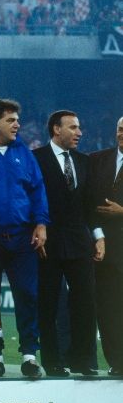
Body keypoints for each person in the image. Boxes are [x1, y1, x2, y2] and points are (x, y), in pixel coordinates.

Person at [0, 98, 49, 378]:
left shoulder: (23, 152)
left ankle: (29, 354)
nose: (17, 124)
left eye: (17, 119)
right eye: (10, 120)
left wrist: (41, 223)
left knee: (27, 294)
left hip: (21, 237)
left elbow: (37, 190)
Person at [33, 110, 103, 377]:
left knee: (85, 301)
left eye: (79, 127)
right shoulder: (36, 158)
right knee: (48, 303)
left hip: (79, 241)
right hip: (46, 241)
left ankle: (83, 360)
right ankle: (53, 361)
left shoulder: (84, 162)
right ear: (56, 129)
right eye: (73, 127)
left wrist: (98, 237)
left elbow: (90, 205)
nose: (79, 132)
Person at [87, 116, 123, 377]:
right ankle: (116, 363)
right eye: (120, 129)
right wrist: (97, 234)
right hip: (104, 249)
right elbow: (87, 202)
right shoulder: (98, 159)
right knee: (107, 309)